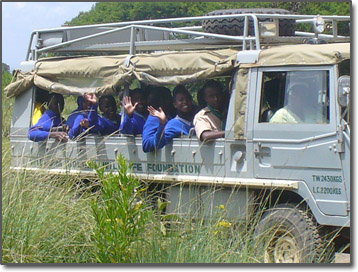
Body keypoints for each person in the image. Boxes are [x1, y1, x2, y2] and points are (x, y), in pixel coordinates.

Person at [142, 85, 194, 152]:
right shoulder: (155, 118)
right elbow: (148, 145)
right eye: (166, 98)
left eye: (188, 99)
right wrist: (162, 124)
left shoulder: (171, 115)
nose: (185, 102)